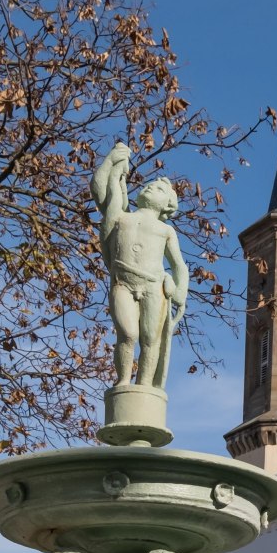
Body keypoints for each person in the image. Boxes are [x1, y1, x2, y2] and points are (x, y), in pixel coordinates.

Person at [92, 142, 189, 389]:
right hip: (123, 282)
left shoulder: (165, 230)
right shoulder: (121, 216)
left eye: (157, 189)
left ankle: (145, 386)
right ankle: (123, 381)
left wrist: (179, 292)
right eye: (149, 185)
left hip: (153, 286)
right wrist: (111, 160)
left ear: (167, 205)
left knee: (150, 339)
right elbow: (100, 191)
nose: (149, 187)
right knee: (127, 334)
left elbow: (179, 265)